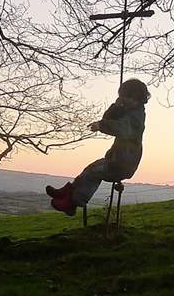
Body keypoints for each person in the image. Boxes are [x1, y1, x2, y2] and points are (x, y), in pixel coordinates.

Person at [47, 79, 150, 215]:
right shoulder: (130, 111)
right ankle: (68, 191)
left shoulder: (136, 117)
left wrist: (101, 126)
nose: (124, 100)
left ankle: (72, 203)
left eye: (126, 97)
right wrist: (116, 107)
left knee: (93, 173)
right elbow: (108, 118)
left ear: (135, 98)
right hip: (116, 159)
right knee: (89, 169)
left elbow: (122, 128)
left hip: (123, 163)